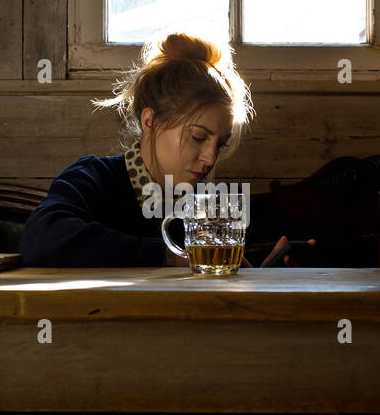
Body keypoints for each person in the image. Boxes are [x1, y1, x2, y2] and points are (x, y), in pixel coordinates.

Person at [21, 30, 270, 268]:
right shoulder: (93, 178)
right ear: (150, 121)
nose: (211, 158)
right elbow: (40, 239)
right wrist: (167, 257)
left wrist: (262, 275)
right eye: (197, 137)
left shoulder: (207, 204)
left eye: (220, 144)